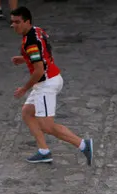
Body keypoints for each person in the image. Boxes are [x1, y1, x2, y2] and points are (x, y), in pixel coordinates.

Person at [9, 6, 93, 166]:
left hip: (45, 84)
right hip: (51, 78)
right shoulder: (37, 31)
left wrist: (24, 89)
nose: (13, 25)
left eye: (17, 22)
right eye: (12, 22)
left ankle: (84, 145)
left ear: (27, 21)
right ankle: (44, 151)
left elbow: (39, 70)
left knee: (47, 126)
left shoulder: (30, 42)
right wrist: (25, 58)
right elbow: (45, 53)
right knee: (27, 113)